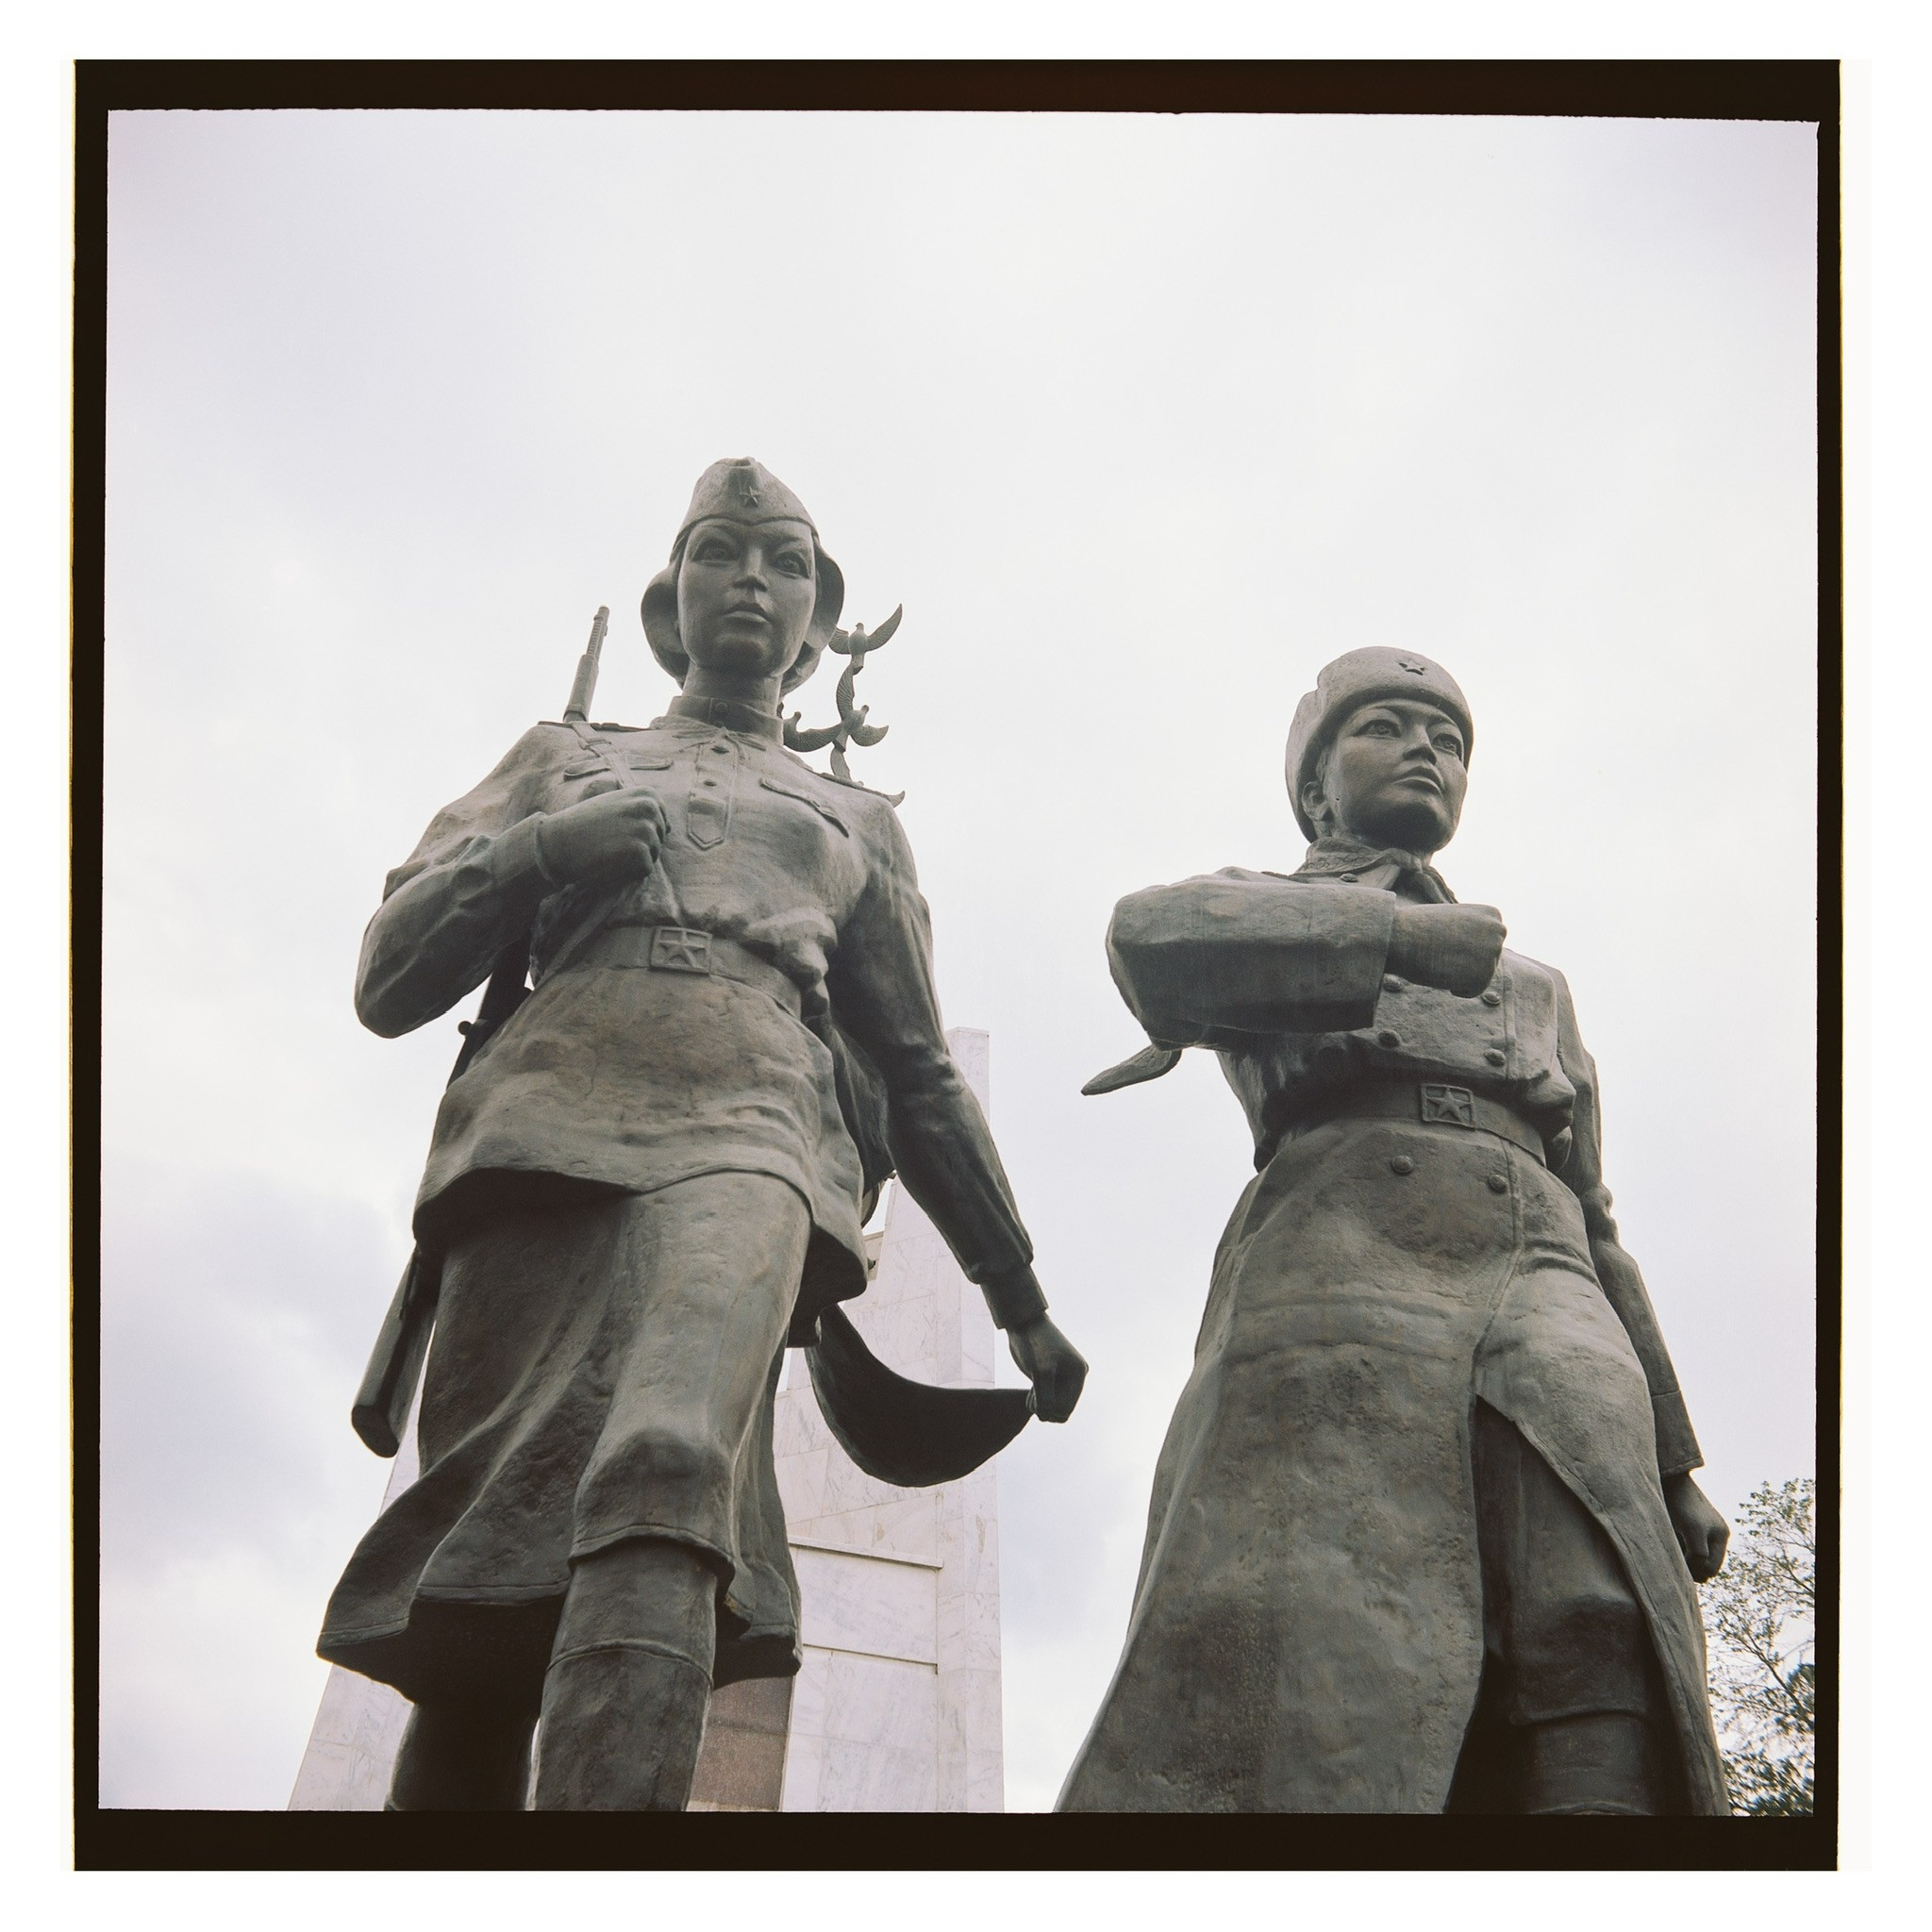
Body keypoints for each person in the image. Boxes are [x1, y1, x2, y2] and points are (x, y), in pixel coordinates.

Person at [316, 458, 1087, 1810]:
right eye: (724, 553)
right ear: (671, 602)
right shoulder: (565, 759)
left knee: (670, 1463)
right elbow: (389, 979)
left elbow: (914, 1073)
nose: (754, 580)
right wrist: (547, 851)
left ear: (814, 617)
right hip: (534, 1143)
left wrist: (1014, 1292)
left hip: (752, 1134)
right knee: (482, 1600)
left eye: (785, 562)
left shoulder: (856, 825)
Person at [1058, 647, 1729, 1815]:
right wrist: (1400, 941)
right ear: (1316, 784)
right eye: (1387, 725)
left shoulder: (1533, 982)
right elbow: (1146, 940)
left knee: (1598, 1613)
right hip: (1338, 1264)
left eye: (1449, 736)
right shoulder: (1261, 908)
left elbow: (1602, 1219)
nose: (1428, 749)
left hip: (1545, 1275)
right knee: (1325, 1635)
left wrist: (1672, 1459)